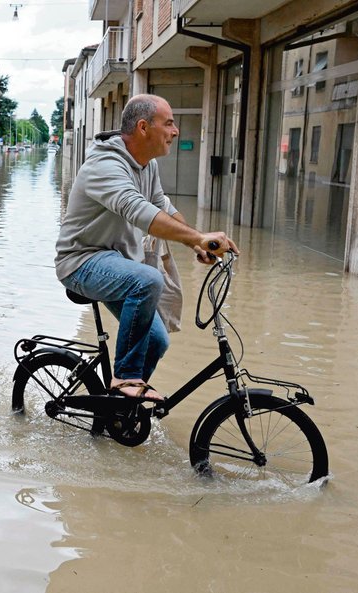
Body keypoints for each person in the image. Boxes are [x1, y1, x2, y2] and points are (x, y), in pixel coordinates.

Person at [54, 94, 239, 402]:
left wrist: (200, 238)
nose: (176, 131)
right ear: (143, 127)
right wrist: (195, 239)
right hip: (81, 262)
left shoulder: (146, 165)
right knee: (147, 279)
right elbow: (139, 211)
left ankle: (121, 408)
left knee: (156, 341)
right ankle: (125, 378)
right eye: (169, 123)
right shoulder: (105, 164)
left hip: (116, 263)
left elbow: (160, 206)